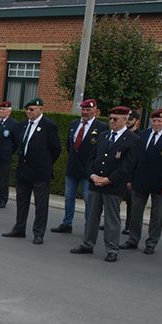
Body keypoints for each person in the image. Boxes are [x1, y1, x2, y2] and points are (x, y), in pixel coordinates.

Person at [70, 106, 139, 262]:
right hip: (96, 183)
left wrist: (109, 179)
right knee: (92, 216)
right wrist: (92, 175)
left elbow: (128, 166)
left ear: (125, 120)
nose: (112, 122)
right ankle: (87, 243)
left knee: (111, 219)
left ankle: (112, 248)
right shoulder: (103, 135)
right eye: (110, 118)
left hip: (113, 186)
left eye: (115, 119)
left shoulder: (133, 139)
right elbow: (91, 159)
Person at [120, 108, 162, 254]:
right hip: (139, 181)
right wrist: (129, 179)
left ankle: (151, 242)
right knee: (135, 213)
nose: (156, 123)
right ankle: (132, 239)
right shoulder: (143, 135)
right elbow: (133, 158)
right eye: (154, 121)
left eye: (159, 121)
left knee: (156, 215)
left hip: (160, 184)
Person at [3, 97, 61, 244]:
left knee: (41, 205)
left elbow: (56, 149)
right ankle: (19, 228)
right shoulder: (22, 126)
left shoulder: (49, 126)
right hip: (24, 171)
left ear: (41, 109)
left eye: (32, 109)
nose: (29, 112)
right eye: (27, 110)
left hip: (41, 173)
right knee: (22, 202)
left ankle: (38, 233)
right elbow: (18, 145)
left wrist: (45, 163)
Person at [52, 99, 107, 233]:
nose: (85, 112)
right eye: (83, 109)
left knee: (89, 200)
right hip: (73, 167)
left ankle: (89, 226)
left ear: (95, 111)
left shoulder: (101, 127)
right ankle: (67, 223)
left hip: (89, 170)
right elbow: (69, 145)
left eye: (88, 110)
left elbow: (100, 150)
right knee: (69, 196)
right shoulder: (74, 124)